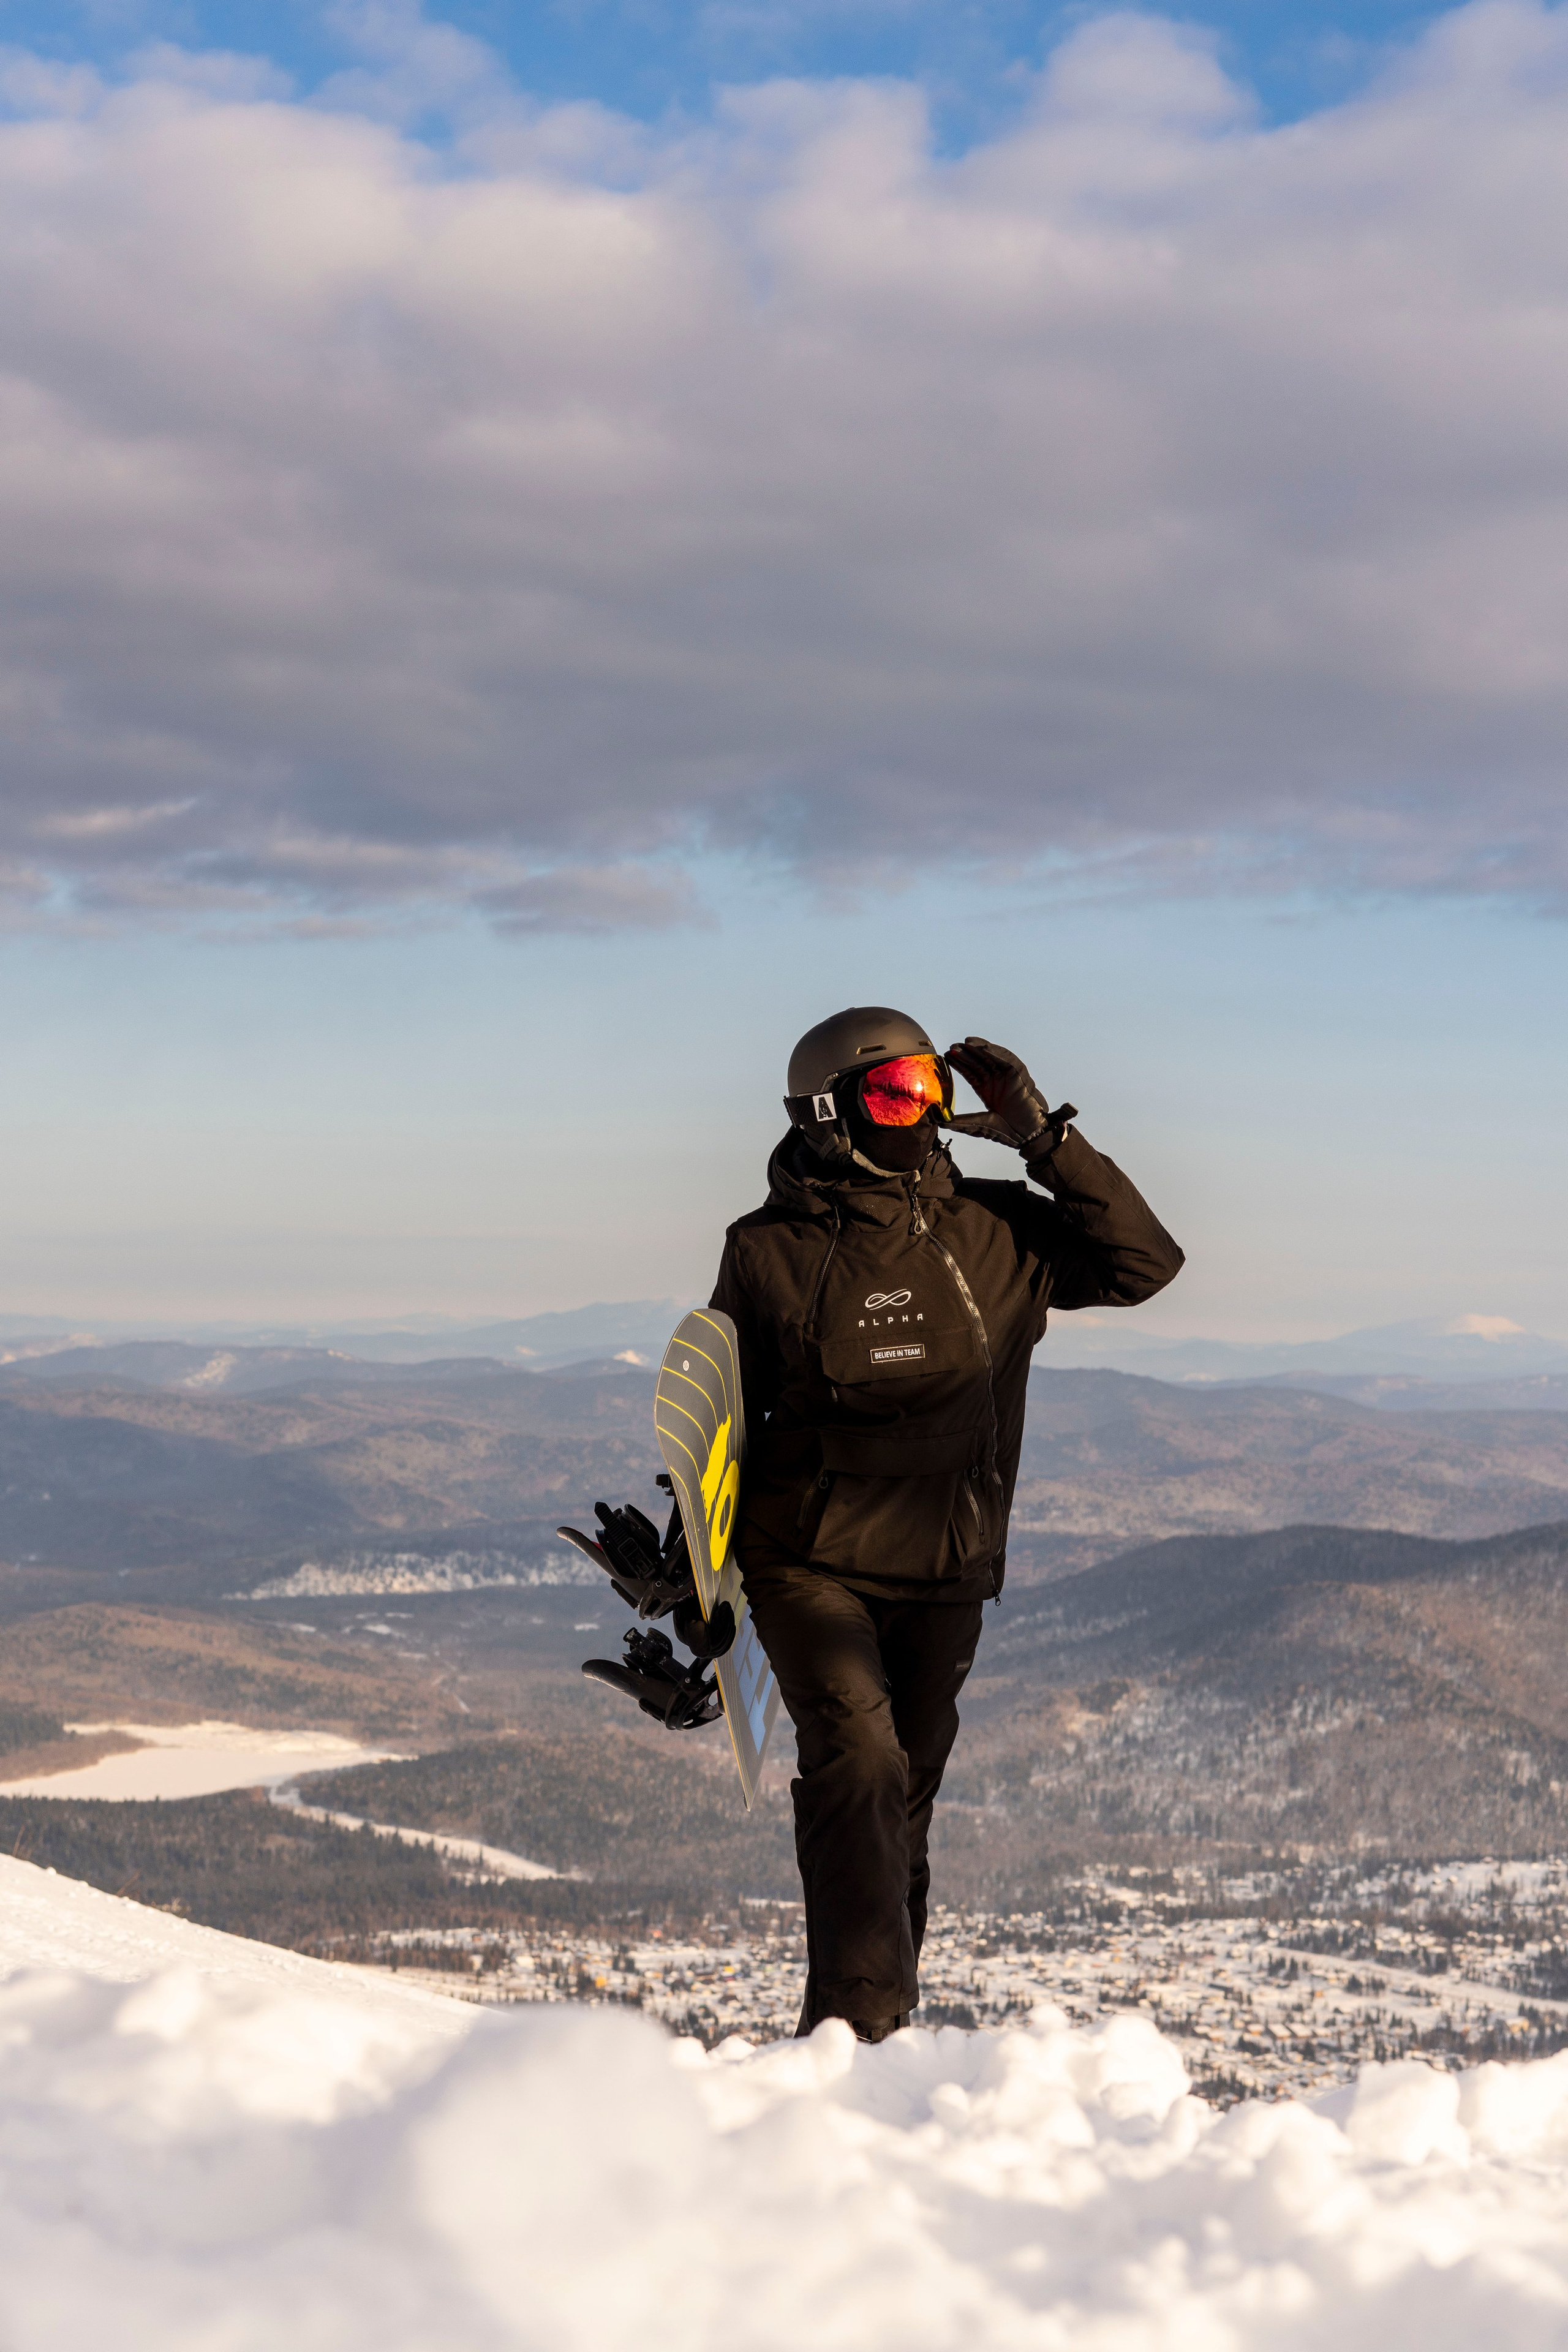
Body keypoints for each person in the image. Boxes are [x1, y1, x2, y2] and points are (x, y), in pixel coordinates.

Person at [707, 1008, 1183, 2041]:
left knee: (899, 1806)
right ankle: (854, 2035)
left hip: (948, 1564)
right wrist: (697, 1572)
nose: (922, 1111)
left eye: (933, 1087)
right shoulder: (766, 1251)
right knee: (863, 1768)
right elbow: (722, 1417)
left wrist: (1041, 1137)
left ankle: (869, 2031)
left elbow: (1147, 1265)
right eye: (894, 1093)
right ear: (830, 1117)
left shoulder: (1001, 1229)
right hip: (805, 1561)